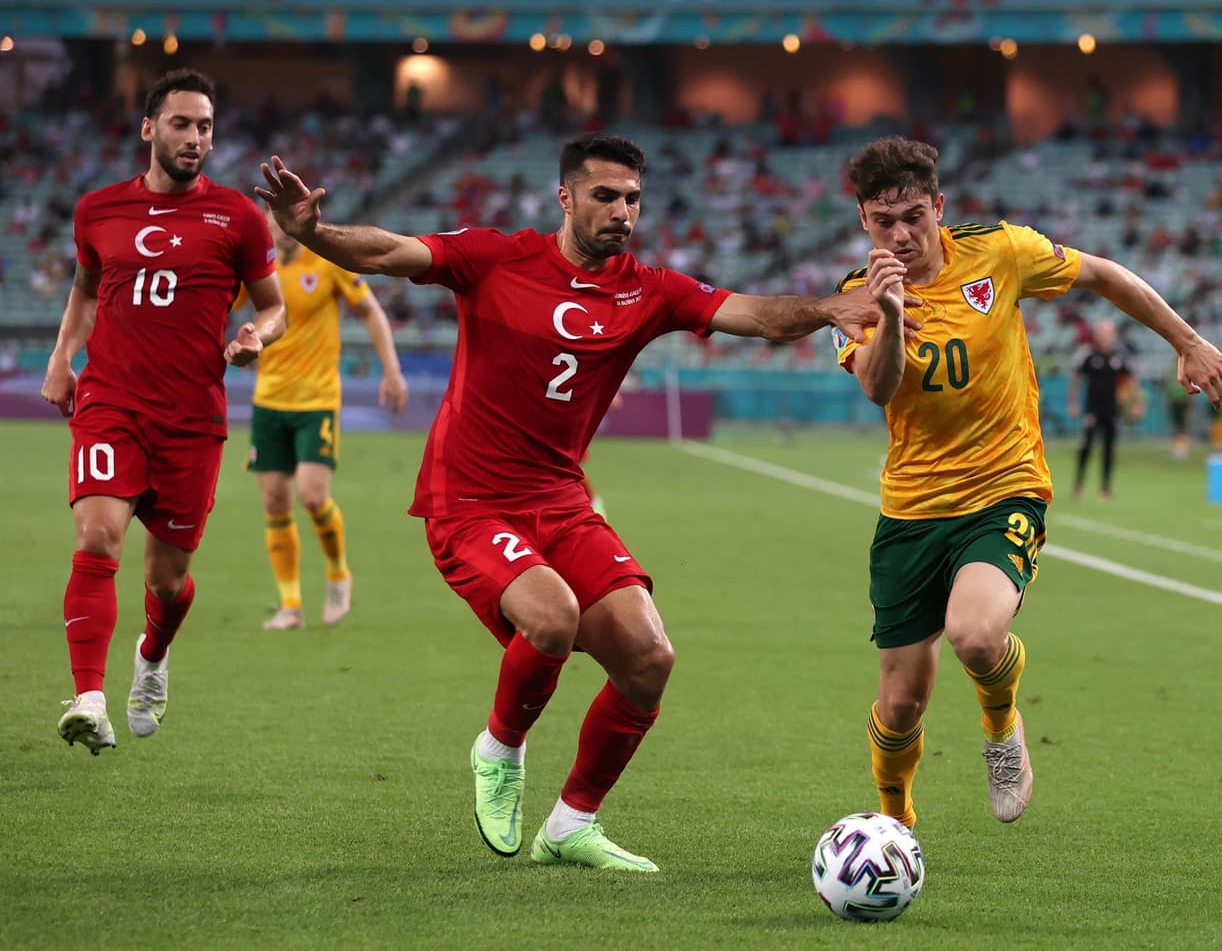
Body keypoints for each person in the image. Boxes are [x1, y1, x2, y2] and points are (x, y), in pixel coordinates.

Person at [256, 133, 895, 872]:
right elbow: (386, 253)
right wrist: (313, 233)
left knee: (650, 659)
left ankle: (570, 826)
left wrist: (826, 307)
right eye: (604, 196)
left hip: (559, 502)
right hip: (468, 502)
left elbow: (753, 314)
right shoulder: (498, 258)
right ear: (565, 197)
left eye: (631, 199)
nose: (621, 211)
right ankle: (499, 750)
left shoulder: (648, 290)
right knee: (553, 618)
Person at [833, 137, 1222, 830]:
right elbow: (877, 388)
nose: (900, 234)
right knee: (902, 703)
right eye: (882, 220)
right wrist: (893, 313)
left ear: (938, 206)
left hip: (1005, 486)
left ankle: (1002, 729)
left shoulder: (1000, 252)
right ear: (864, 221)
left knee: (975, 634)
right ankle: (894, 824)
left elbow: (1107, 276)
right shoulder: (856, 296)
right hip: (912, 508)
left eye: (912, 216)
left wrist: (1186, 341)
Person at [40, 68, 285, 755]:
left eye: (205, 126)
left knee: (166, 580)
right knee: (96, 538)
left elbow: (274, 306)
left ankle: (151, 655)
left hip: (191, 418)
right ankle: (89, 695)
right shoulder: (98, 210)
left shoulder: (236, 216)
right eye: (181, 123)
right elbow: (86, 290)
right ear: (149, 128)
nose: (195, 137)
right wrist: (63, 358)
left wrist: (253, 338)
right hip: (111, 401)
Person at [240, 212, 410, 631]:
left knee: (313, 497)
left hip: (317, 400)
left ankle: (338, 574)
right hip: (268, 400)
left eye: (285, 220)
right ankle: (290, 605)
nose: (278, 228)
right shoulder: (257, 269)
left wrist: (391, 370)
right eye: (271, 221)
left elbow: (370, 311)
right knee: (275, 502)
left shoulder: (328, 262)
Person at [1068, 319, 1137, 498]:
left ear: (1113, 336)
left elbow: (1130, 380)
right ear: (1097, 336)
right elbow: (1077, 378)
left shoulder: (1118, 357)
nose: (1105, 337)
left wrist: (1137, 403)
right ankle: (1079, 484)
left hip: (1112, 410)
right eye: (1102, 333)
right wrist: (1073, 402)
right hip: (1092, 410)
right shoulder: (1090, 355)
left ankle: (1105, 488)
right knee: (1086, 447)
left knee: (1109, 449)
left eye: (1108, 333)